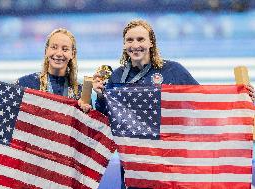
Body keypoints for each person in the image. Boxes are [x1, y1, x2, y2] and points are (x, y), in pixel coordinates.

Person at [90, 19, 255, 189]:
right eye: (130, 40)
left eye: (141, 39)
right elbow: (107, 121)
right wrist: (101, 97)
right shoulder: (117, 77)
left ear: (151, 43)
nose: (135, 45)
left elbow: (204, 103)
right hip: (136, 166)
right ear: (124, 45)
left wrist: (241, 99)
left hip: (171, 165)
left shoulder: (173, 71)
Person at [16, 28, 90, 112]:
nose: (58, 54)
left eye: (65, 49)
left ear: (72, 54)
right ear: (46, 50)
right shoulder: (26, 84)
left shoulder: (80, 94)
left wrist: (85, 112)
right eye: (54, 47)